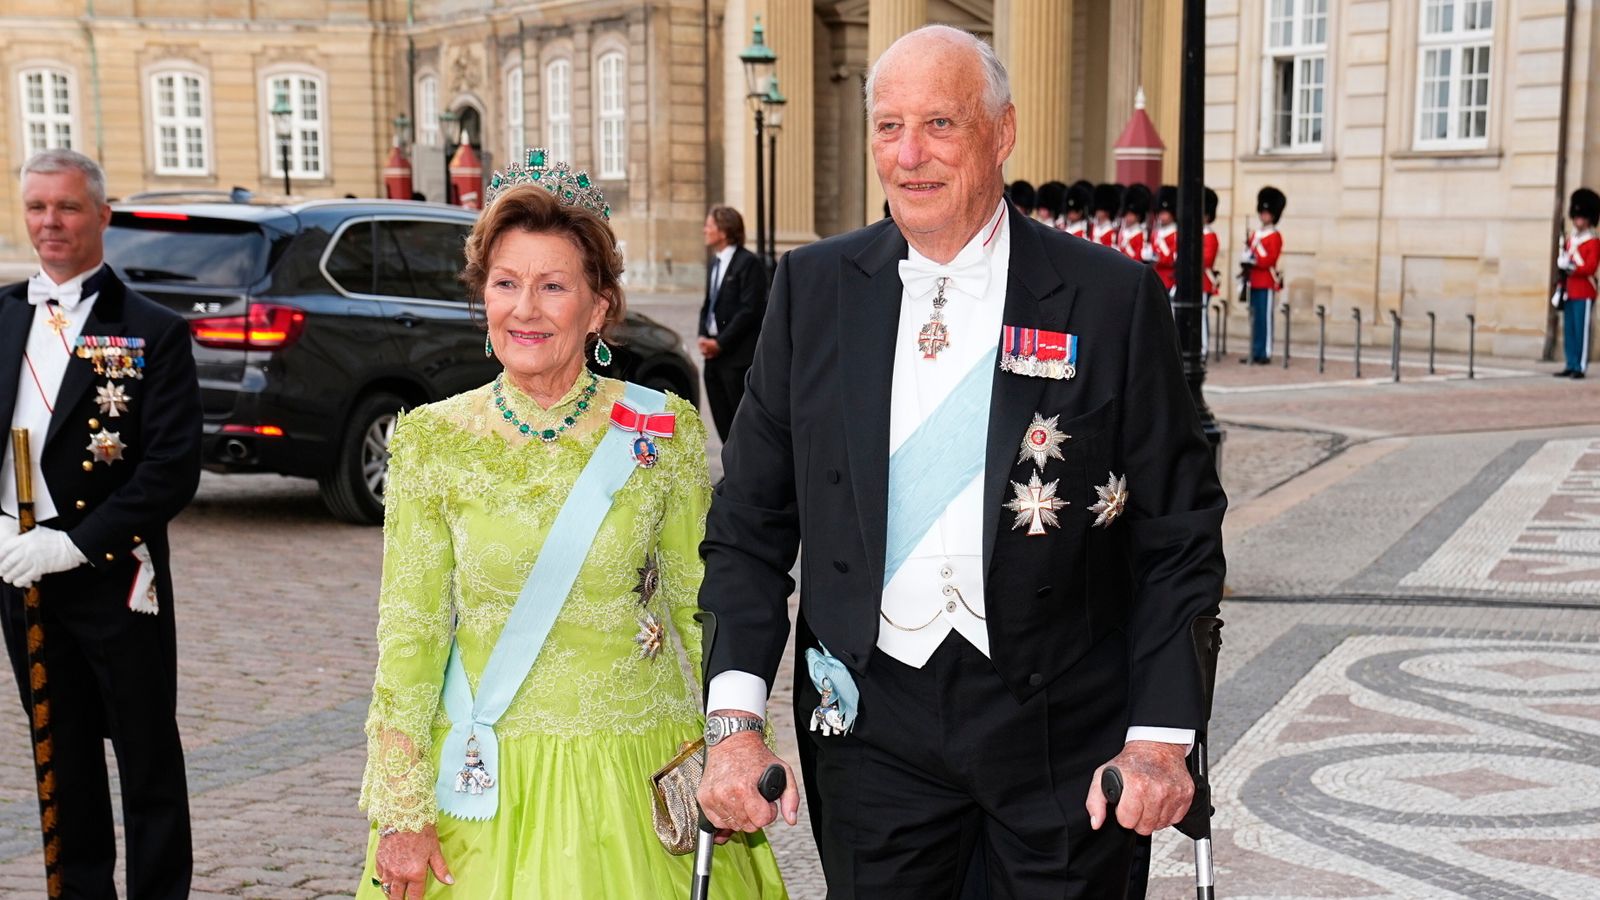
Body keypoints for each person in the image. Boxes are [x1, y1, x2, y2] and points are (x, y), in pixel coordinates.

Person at [696, 25, 1225, 898]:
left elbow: (1177, 532)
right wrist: (734, 721)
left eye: (941, 123)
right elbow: (750, 523)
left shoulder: (1110, 297)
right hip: (872, 731)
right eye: (889, 127)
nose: (910, 156)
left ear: (1002, 132)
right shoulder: (812, 292)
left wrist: (1161, 738)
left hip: (1062, 728)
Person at [357, 157, 785, 899]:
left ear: (598, 308)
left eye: (553, 286)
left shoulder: (662, 430)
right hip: (483, 782)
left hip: (633, 779)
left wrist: (736, 742)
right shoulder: (431, 440)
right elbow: (411, 634)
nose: (525, 308)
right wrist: (399, 809)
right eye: (505, 283)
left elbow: (699, 610)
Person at [0, 148, 201, 898]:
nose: (50, 222)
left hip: (116, 577)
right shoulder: (1, 316)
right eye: (37, 207)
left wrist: (74, 543)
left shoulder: (152, 330)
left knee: (148, 761)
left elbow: (171, 468)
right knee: (62, 753)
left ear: (102, 216)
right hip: (21, 574)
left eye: (68, 206)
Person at [697, 205, 769, 440]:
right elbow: (709, 302)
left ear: (725, 230)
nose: (705, 230)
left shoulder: (749, 263)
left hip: (736, 357)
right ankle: (730, 471)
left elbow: (750, 310)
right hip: (713, 357)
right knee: (722, 418)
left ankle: (743, 472)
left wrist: (721, 342)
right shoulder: (714, 262)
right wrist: (703, 335)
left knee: (740, 420)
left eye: (709, 225)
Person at [1554, 187, 1598, 379]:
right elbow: (1565, 266)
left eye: (1582, 217)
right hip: (1570, 291)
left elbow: (1589, 267)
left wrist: (1570, 267)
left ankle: (1580, 366)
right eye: (1576, 217)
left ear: (1588, 219)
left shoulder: (1593, 242)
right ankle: (1570, 363)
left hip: (1585, 291)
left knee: (1581, 332)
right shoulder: (1571, 240)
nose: (1578, 220)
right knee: (1569, 329)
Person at [1240, 185, 1285, 365]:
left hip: (1266, 281)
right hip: (1253, 280)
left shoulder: (1274, 235)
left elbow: (1269, 260)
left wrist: (1255, 253)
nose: (1264, 215)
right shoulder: (1255, 234)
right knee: (1254, 318)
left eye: (1268, 213)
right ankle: (1254, 350)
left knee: (1264, 318)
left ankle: (1264, 352)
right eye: (1263, 212)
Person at [1150, 185, 1179, 296]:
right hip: (1156, 277)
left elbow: (1171, 258)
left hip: (1169, 279)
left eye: (1165, 213)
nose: (1161, 216)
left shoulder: (1176, 234)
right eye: (1160, 213)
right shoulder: (1156, 233)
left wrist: (1159, 255)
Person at [1118, 184, 1151, 263]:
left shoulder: (1140, 234)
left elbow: (1138, 257)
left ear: (1138, 216)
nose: (1128, 217)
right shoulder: (1123, 232)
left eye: (1131, 214)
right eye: (1126, 214)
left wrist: (1127, 246)